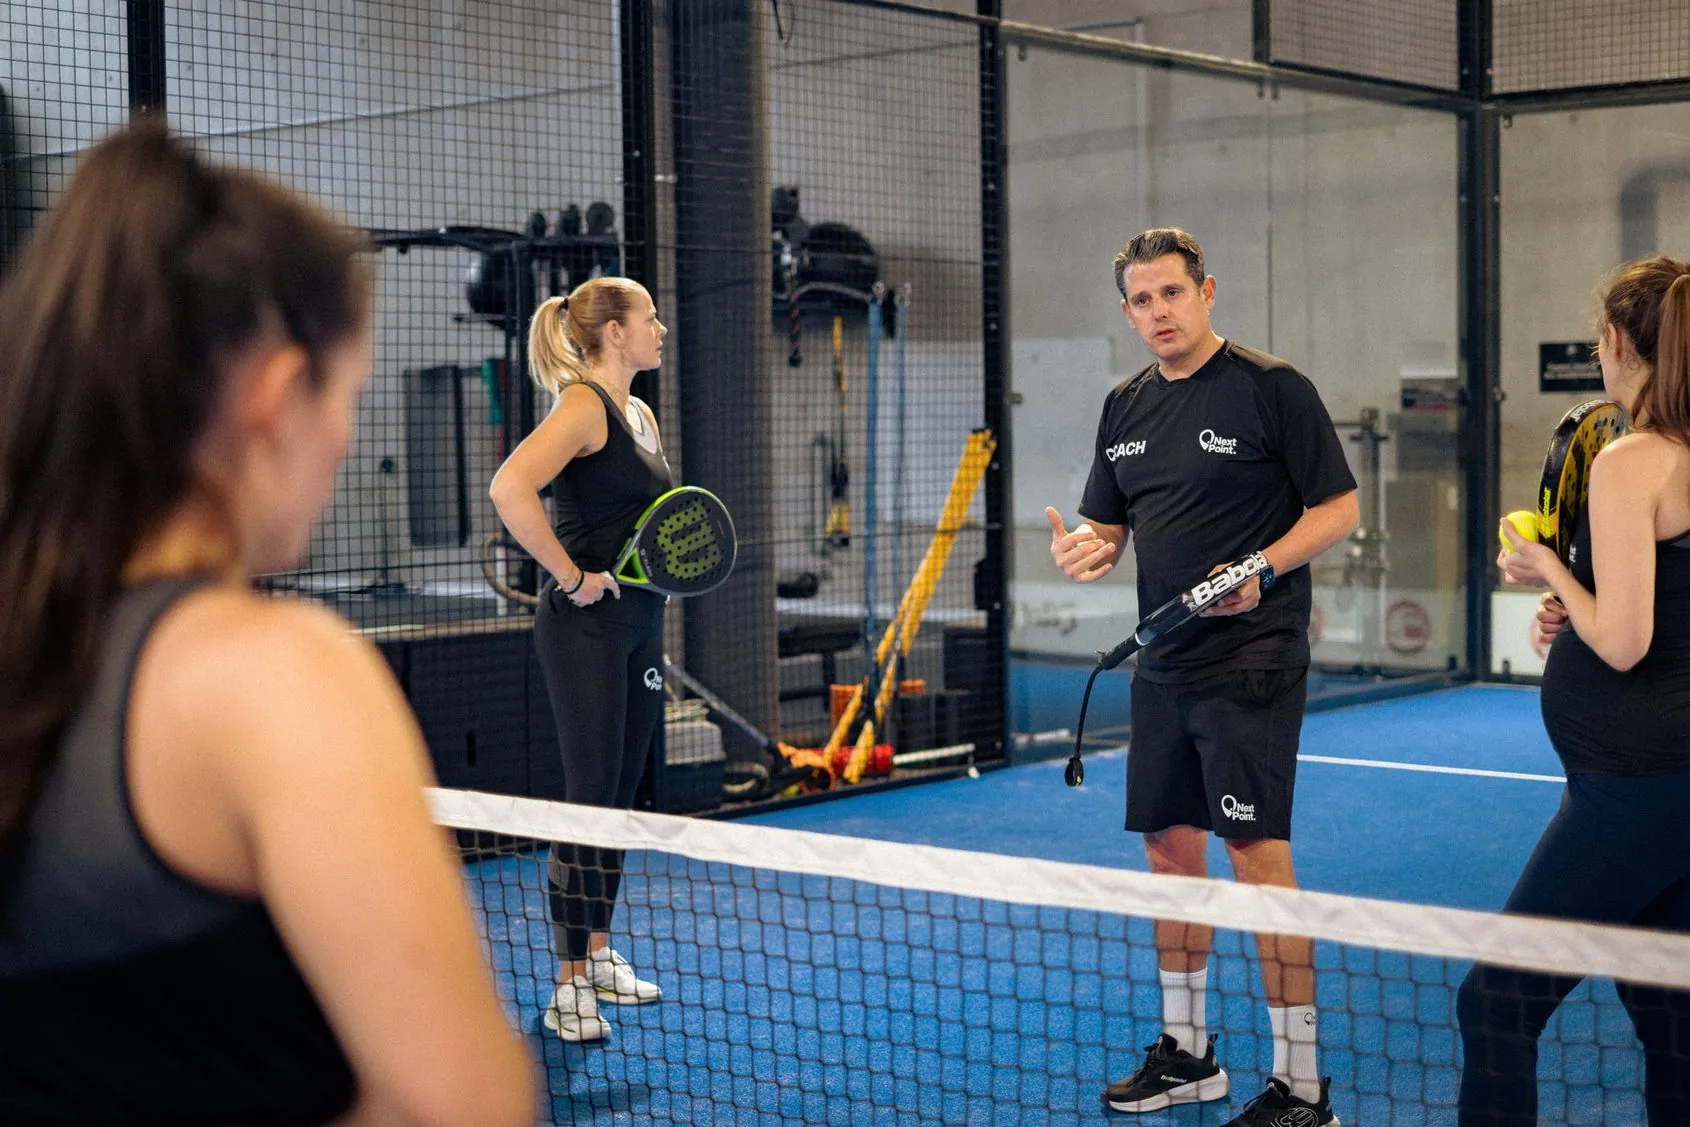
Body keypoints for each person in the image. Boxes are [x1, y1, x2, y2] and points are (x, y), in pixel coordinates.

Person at [0, 120, 534, 1126]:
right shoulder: (273, 679)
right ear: (277, 395)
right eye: (348, 395)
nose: (343, 439)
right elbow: (462, 1106)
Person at [1047, 228, 1359, 1125]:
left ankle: (1304, 1087)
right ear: (1127, 311)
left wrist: (1261, 566)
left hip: (1253, 660)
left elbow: (1339, 507)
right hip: (1163, 663)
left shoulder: (1272, 388)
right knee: (1167, 851)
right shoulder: (1125, 406)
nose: (1159, 313)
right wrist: (1088, 548)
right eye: (1142, 300)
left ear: (1207, 291)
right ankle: (1189, 1053)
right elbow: (1111, 527)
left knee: (1255, 857)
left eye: (1172, 293)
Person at [1460, 255, 1690, 1125]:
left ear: (1618, 342)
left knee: (1495, 1004)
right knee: (1669, 1015)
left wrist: (1548, 566)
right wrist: (1575, 601)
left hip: (1634, 784)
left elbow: (1625, 644)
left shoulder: (1631, 461)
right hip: (1669, 780)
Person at [489, 276, 673, 1043]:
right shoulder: (582, 406)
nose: (660, 328)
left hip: (641, 624)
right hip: (585, 630)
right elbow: (510, 487)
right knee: (589, 794)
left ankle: (597, 954)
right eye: (649, 317)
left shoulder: (640, 414)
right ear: (615, 332)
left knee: (622, 793)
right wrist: (570, 575)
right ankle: (567, 986)